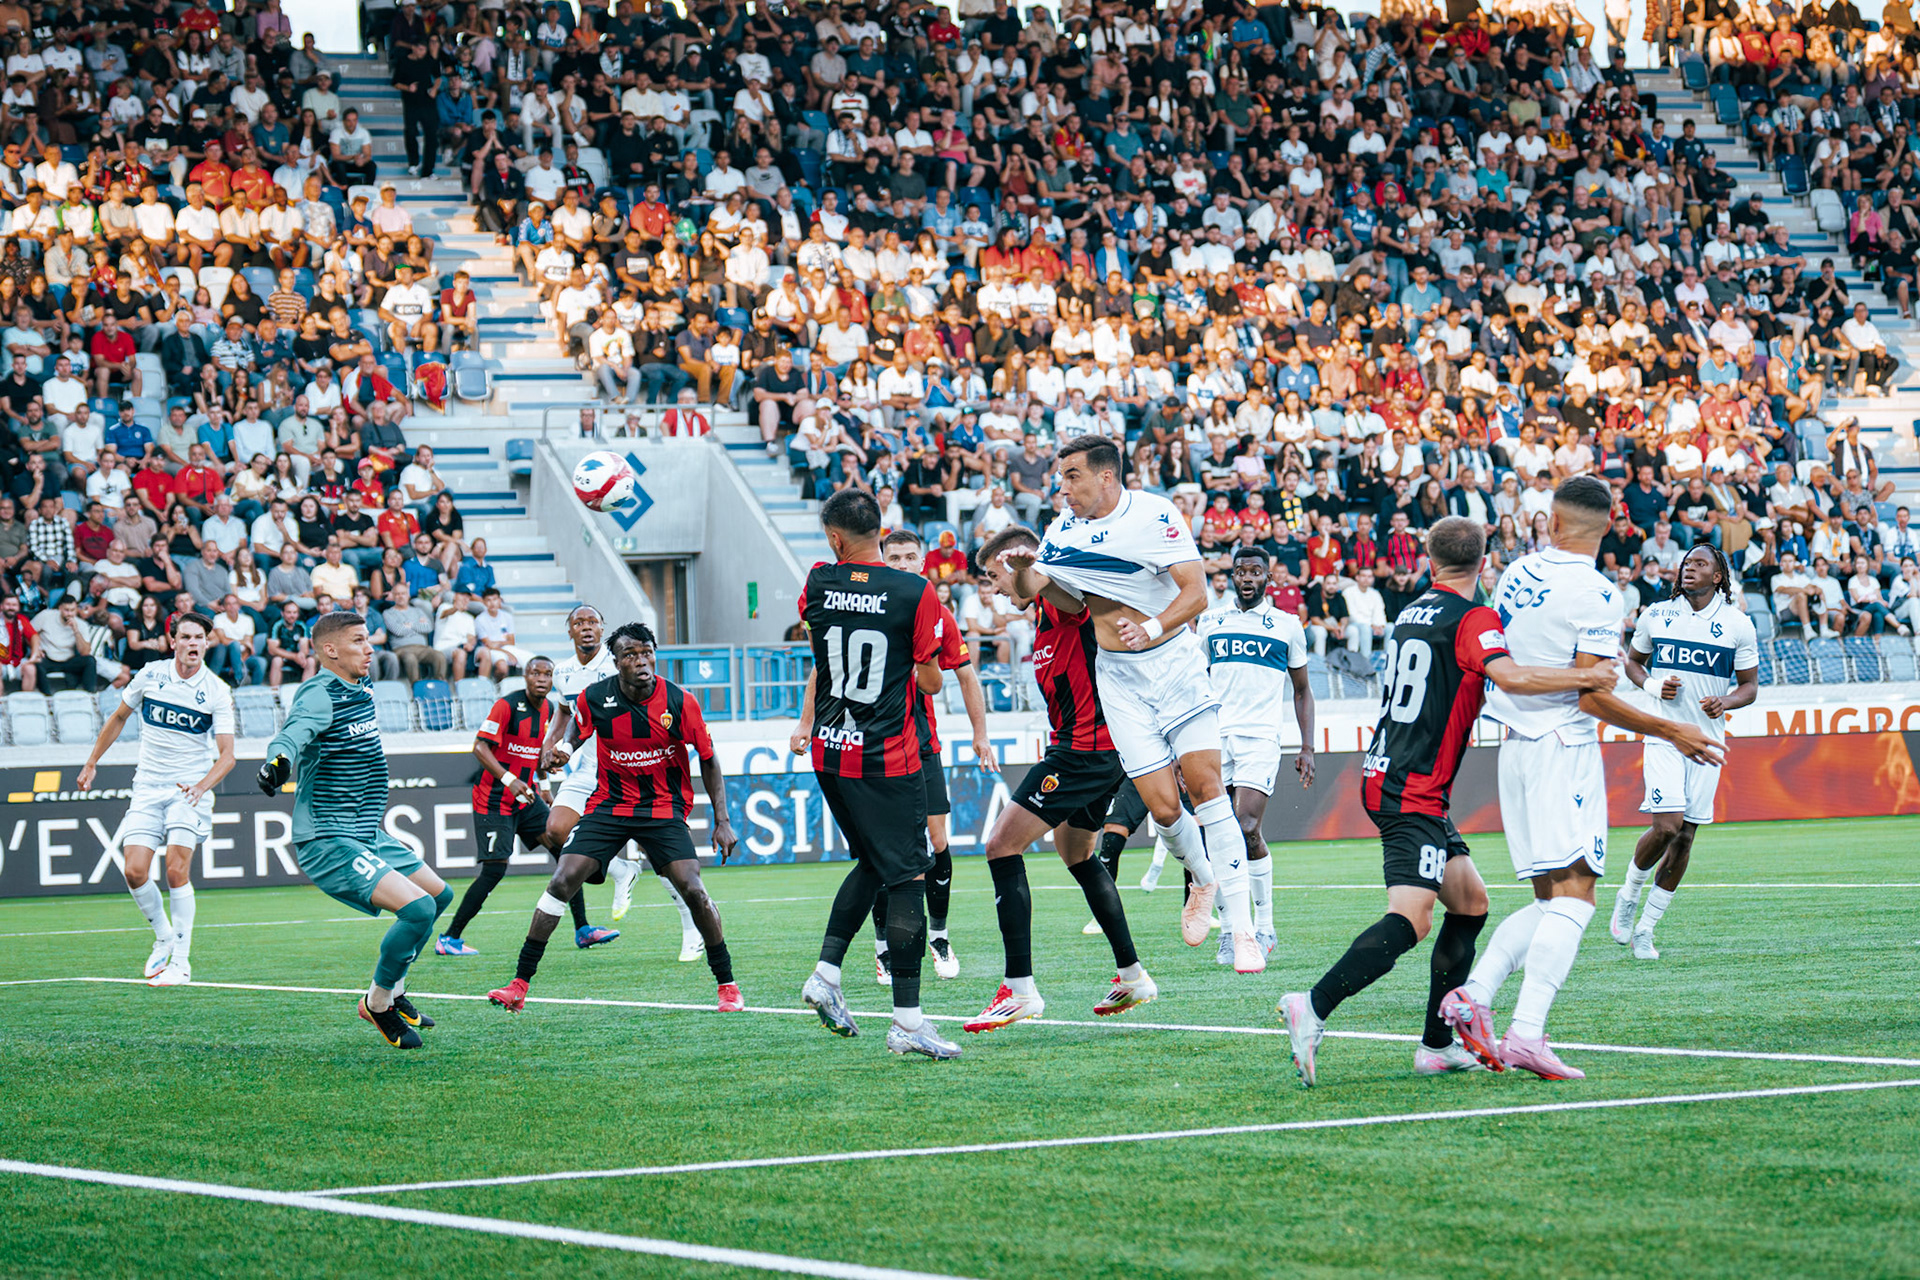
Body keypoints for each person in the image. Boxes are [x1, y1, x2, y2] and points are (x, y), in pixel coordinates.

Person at [1277, 517, 1619, 1086]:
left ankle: (1437, 1046)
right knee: (1411, 919)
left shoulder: (1412, 610)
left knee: (1472, 903)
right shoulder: (1473, 618)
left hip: (1395, 770)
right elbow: (1506, 675)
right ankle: (1310, 1006)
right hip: (1412, 785)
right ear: (1483, 563)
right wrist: (1587, 676)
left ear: (1428, 560)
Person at [1440, 478, 1722, 1081]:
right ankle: (1526, 1034)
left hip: (1514, 749)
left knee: (1550, 900)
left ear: (1551, 522)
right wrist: (1671, 730)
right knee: (1577, 900)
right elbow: (1593, 694)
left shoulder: (1516, 571)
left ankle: (1474, 997)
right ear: (1612, 523)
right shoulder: (1598, 593)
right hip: (1561, 748)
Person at [1004, 436, 1249, 968]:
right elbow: (1056, 594)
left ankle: (1245, 925)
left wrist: (1153, 626)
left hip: (1173, 665)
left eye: (1071, 476)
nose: (1062, 488)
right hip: (1119, 680)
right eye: (1060, 477)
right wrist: (1027, 570)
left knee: (1206, 788)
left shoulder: (1155, 514)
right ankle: (1202, 881)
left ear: (1106, 476)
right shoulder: (1061, 529)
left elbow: (1197, 592)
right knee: (1163, 810)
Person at [960, 523, 1158, 1033]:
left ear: (1016, 565)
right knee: (1076, 854)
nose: (994, 590)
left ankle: (1019, 989)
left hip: (1085, 752)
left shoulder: (1062, 598)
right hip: (1090, 750)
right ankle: (1133, 975)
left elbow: (1055, 593)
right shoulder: (1043, 618)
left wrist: (1032, 571)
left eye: (993, 577)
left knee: (1001, 846)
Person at [488, 622, 743, 1013]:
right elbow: (576, 730)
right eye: (630, 655)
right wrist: (563, 750)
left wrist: (722, 820)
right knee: (562, 880)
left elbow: (709, 759)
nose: (641, 661)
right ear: (617, 662)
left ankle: (726, 984)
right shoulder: (595, 698)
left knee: (692, 887)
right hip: (609, 806)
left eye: (646, 653)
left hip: (662, 809)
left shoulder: (679, 701)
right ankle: (519, 984)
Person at [795, 489, 960, 1060]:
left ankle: (826, 975)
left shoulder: (816, 581)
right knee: (910, 874)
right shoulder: (917, 592)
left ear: (835, 539)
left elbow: (821, 645)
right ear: (882, 533)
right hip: (888, 757)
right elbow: (932, 681)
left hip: (830, 750)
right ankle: (909, 1023)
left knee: (873, 862)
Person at [256, 611, 455, 1050]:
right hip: (329, 838)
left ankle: (395, 989)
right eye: (360, 641)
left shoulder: (359, 686)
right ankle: (378, 1003)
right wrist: (278, 762)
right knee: (418, 910)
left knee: (440, 896)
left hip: (366, 830)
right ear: (330, 650)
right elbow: (294, 732)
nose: (370, 649)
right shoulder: (319, 692)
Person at [850, 528, 996, 985]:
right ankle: (882, 950)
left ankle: (939, 936)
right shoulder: (864, 613)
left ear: (922, 563)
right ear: (881, 560)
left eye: (911, 557)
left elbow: (967, 676)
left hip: (922, 746)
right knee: (878, 851)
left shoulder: (938, 615)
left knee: (937, 843)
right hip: (872, 747)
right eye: (894, 558)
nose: (903, 565)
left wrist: (980, 734)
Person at [1611, 544, 1760, 959]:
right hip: (1664, 734)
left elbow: (1749, 687)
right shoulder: (1656, 614)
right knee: (1667, 826)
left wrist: (1725, 701)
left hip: (1708, 742)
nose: (1688, 569)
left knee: (1686, 837)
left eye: (1700, 564)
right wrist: (1654, 687)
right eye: (1686, 563)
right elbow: (1634, 663)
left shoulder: (1737, 625)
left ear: (1718, 577)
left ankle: (1647, 928)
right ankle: (1628, 895)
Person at [75, 612, 236, 987]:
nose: (194, 644)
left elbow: (227, 755)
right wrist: (92, 761)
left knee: (176, 870)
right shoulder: (151, 674)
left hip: (188, 791)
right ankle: (164, 935)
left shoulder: (215, 691)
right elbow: (118, 717)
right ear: (173, 641)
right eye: (187, 637)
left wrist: (200, 787)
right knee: (133, 871)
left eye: (200, 638)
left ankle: (181, 962)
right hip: (147, 786)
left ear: (207, 644)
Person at [537, 604, 694, 951]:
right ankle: (620, 869)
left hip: (627, 768)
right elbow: (565, 711)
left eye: (593, 621)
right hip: (584, 769)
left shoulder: (619, 659)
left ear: (602, 627)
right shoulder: (561, 672)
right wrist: (554, 745)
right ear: (570, 631)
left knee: (664, 859)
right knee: (555, 830)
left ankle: (690, 924)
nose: (587, 628)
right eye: (579, 623)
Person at [1196, 545, 1316, 963]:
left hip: (1260, 737)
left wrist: (1306, 746)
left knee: (1245, 825)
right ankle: (1231, 931)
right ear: (1231, 576)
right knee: (1218, 834)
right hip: (1214, 736)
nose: (1247, 577)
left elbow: (1302, 689)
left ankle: (1264, 927)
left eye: (1255, 572)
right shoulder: (1209, 622)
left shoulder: (1286, 625)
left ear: (1269, 578)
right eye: (1240, 571)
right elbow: (1196, 682)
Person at [437, 656, 575, 955]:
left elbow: (538, 752)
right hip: (494, 799)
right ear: (524, 676)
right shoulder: (507, 706)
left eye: (547, 674)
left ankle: (584, 930)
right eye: (534, 672)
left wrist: (545, 788)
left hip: (527, 798)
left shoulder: (549, 710)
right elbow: (479, 746)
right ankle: (449, 938)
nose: (541, 678)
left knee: (567, 856)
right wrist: (509, 778)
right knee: (494, 871)